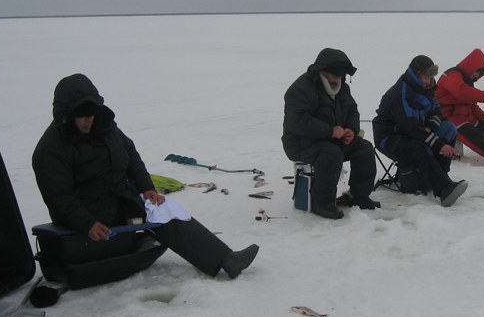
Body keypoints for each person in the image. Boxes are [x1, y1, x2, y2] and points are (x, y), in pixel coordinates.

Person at [32, 74, 259, 279]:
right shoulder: (51, 149)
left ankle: (226, 259)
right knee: (150, 217)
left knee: (165, 210)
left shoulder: (106, 128)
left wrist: (146, 187)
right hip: (87, 215)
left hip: (119, 200)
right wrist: (87, 223)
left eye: (92, 113)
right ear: (67, 115)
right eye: (82, 115)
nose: (88, 119)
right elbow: (58, 197)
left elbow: (130, 156)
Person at [282, 48, 378, 220]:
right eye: (334, 75)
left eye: (341, 76)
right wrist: (330, 131)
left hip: (333, 140)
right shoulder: (300, 89)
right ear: (322, 71)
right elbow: (298, 121)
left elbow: (352, 110)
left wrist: (351, 129)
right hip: (300, 142)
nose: (337, 80)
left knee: (364, 148)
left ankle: (359, 196)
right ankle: (322, 202)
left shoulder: (343, 88)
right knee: (330, 154)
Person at [373, 55, 468, 207]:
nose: (428, 81)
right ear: (416, 75)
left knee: (449, 128)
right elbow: (411, 128)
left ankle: (441, 176)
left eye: (430, 77)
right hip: (389, 137)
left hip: (416, 130)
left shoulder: (427, 88)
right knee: (420, 147)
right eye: (426, 77)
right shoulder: (401, 93)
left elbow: (436, 111)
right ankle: (443, 190)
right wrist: (438, 144)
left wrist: (430, 127)